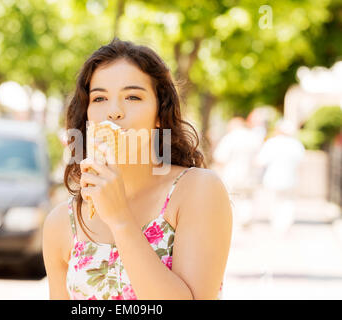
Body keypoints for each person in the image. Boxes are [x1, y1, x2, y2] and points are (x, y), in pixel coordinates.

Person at [42, 38, 233, 300]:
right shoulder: (61, 223)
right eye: (99, 98)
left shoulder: (197, 190)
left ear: (159, 114)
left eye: (132, 96)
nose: (114, 111)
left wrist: (120, 219)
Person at [255, 119, 305, 234]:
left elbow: (260, 161)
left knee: (275, 201)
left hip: (273, 177)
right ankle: (285, 225)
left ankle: (277, 225)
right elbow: (301, 161)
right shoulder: (296, 144)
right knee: (288, 202)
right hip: (291, 178)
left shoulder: (272, 142)